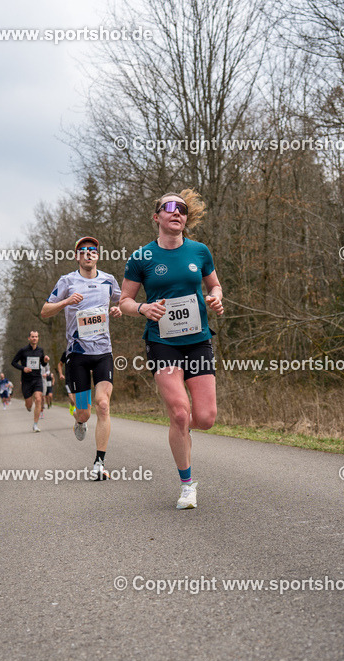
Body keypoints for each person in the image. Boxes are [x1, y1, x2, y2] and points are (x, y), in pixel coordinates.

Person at [119, 190, 224, 509]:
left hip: (198, 341)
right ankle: (187, 485)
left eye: (181, 208)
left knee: (204, 418)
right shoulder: (141, 258)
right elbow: (123, 301)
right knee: (179, 412)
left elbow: (214, 285)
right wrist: (142, 309)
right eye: (169, 207)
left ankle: (180, 430)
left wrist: (216, 298)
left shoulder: (200, 251)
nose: (176, 212)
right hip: (162, 343)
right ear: (157, 217)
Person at [41, 236, 122, 481]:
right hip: (77, 355)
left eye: (93, 250)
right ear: (77, 256)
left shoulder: (108, 280)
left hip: (103, 353)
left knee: (104, 404)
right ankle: (79, 419)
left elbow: (123, 301)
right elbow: (45, 311)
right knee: (84, 413)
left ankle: (99, 463)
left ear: (97, 255)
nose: (88, 253)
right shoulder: (67, 281)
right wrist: (66, 301)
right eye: (83, 250)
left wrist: (118, 308)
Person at [10, 331, 47, 432]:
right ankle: (28, 406)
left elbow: (43, 364)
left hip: (37, 379)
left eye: (36, 337)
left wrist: (45, 361)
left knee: (38, 399)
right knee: (29, 405)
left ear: (38, 338)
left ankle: (35, 425)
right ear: (29, 338)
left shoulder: (40, 350)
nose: (34, 338)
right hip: (26, 380)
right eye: (32, 337)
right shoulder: (23, 350)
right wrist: (23, 368)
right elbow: (13, 362)